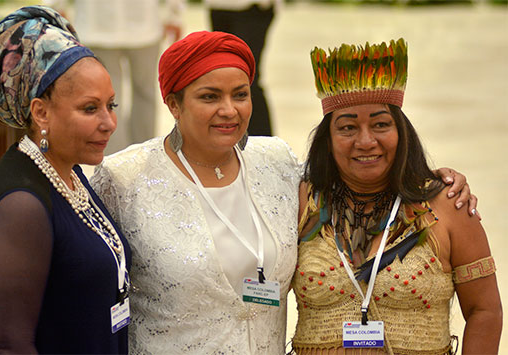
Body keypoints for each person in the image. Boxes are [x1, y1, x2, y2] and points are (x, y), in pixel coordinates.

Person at [91, 31, 475, 354]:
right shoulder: (125, 178)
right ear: (173, 104)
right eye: (210, 97)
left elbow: (356, 172)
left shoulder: (275, 162)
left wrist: (434, 180)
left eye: (240, 95)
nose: (229, 110)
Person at [291, 39, 502, 354]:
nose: (366, 141)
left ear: (402, 132)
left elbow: (485, 311)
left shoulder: (448, 204)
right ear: (328, 139)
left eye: (380, 124)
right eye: (347, 128)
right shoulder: (301, 201)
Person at [0, 6, 131, 353]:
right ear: (41, 112)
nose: (109, 122)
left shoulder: (67, 170)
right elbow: (10, 343)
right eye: (89, 108)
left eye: (110, 105)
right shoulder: (21, 206)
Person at [72, 0, 184, 153]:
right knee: (134, 94)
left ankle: (122, 157)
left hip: (100, 23)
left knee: (108, 96)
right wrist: (174, 14)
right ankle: (137, 155)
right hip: (130, 24)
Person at [205, 0, 279, 136]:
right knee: (224, 74)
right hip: (219, 6)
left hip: (252, 8)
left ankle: (263, 144)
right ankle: (231, 139)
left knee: (247, 77)